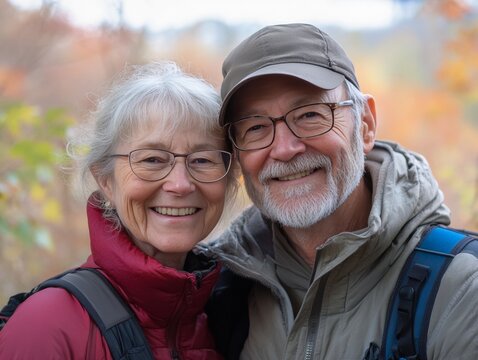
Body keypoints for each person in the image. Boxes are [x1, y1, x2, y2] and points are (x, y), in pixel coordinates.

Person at [199, 23, 478, 359]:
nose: (285, 148)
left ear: (365, 125)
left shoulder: (461, 289)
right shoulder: (217, 291)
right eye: (256, 127)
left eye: (310, 115)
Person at [0, 61, 238, 359]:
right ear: (106, 181)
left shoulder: (228, 316)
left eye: (202, 160)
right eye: (152, 160)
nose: (180, 184)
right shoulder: (47, 325)